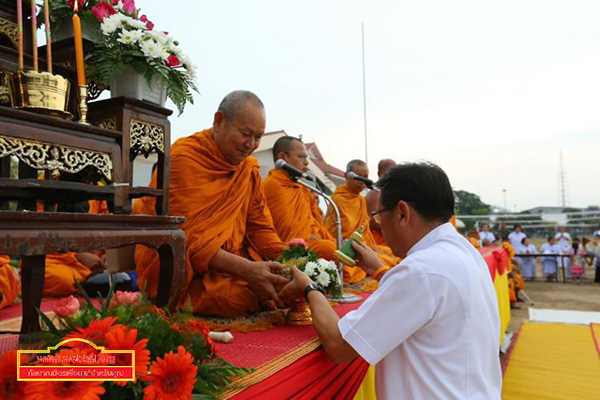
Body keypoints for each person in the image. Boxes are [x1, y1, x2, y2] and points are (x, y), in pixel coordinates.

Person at [280, 162, 502, 399]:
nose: (379, 226)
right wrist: (379, 270)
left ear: (402, 213)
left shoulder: (420, 270)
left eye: (378, 216)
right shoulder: (465, 252)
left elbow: (339, 346)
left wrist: (309, 287)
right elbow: (428, 301)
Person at [134, 91, 289, 317]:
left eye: (258, 137)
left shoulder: (248, 169)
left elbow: (259, 226)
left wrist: (288, 260)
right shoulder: (184, 158)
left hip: (230, 265)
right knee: (238, 298)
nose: (251, 144)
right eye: (246, 134)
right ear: (218, 121)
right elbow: (187, 241)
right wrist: (248, 271)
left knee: (281, 285)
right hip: (182, 270)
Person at [325, 159, 399, 283]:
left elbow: (365, 229)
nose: (362, 181)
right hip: (348, 246)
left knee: (392, 253)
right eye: (358, 177)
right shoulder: (339, 198)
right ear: (346, 176)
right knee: (383, 260)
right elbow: (340, 232)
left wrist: (374, 248)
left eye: (365, 177)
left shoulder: (360, 199)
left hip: (363, 244)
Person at [263, 136, 336, 260]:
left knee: (340, 247)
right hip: (287, 248)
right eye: (301, 157)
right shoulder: (272, 185)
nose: (306, 162)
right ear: (282, 157)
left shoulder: (302, 187)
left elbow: (314, 222)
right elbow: (283, 229)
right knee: (330, 249)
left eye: (306, 157)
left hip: (311, 243)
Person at [366, 158, 396, 246]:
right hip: (377, 242)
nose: (392, 175)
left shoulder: (387, 192)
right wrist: (394, 229)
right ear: (379, 173)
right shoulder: (375, 193)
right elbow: (373, 221)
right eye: (389, 171)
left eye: (395, 171)